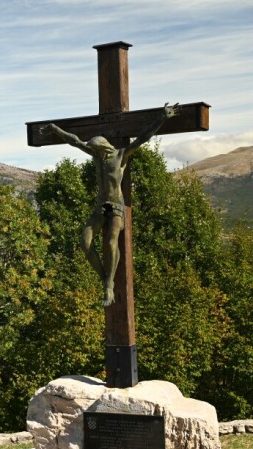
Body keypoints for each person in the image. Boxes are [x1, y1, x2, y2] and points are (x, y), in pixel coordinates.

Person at [43, 103, 179, 306]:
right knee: (85, 242)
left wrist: (162, 118)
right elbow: (75, 141)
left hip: (116, 206)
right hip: (101, 206)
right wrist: (56, 130)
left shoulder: (120, 155)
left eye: (95, 148)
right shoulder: (96, 157)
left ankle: (108, 284)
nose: (92, 150)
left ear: (103, 146)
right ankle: (105, 278)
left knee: (110, 241)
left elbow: (143, 137)